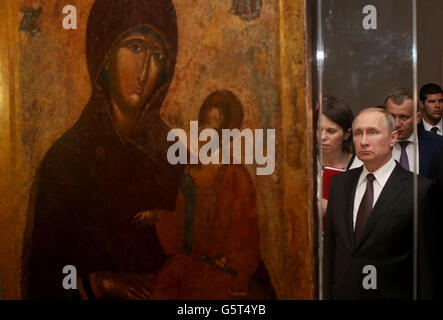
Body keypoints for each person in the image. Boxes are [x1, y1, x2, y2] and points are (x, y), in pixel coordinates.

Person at [22, 0, 183, 299]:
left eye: (157, 55)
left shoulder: (173, 155)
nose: (145, 68)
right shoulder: (66, 161)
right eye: (134, 47)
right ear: (104, 56)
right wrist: (98, 283)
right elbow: (42, 279)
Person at [145, 90, 275, 299]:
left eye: (215, 128)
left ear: (227, 134)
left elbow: (245, 243)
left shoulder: (236, 177)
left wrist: (225, 261)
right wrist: (156, 216)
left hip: (221, 273)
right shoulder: (186, 168)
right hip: (186, 265)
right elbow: (175, 222)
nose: (206, 133)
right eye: (203, 123)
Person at [323, 107, 437, 299]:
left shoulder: (419, 190)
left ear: (393, 138)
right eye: (358, 133)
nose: (364, 141)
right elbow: (331, 252)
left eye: (373, 132)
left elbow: (427, 267)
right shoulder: (340, 183)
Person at [385, 88, 443, 178]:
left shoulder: (438, 145)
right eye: (391, 117)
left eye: (403, 117)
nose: (396, 124)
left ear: (417, 118)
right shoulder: (377, 145)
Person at [319, 97, 359, 216]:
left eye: (331, 131)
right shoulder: (305, 163)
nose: (322, 137)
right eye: (318, 130)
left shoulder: (360, 165)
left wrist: (331, 208)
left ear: (347, 134)